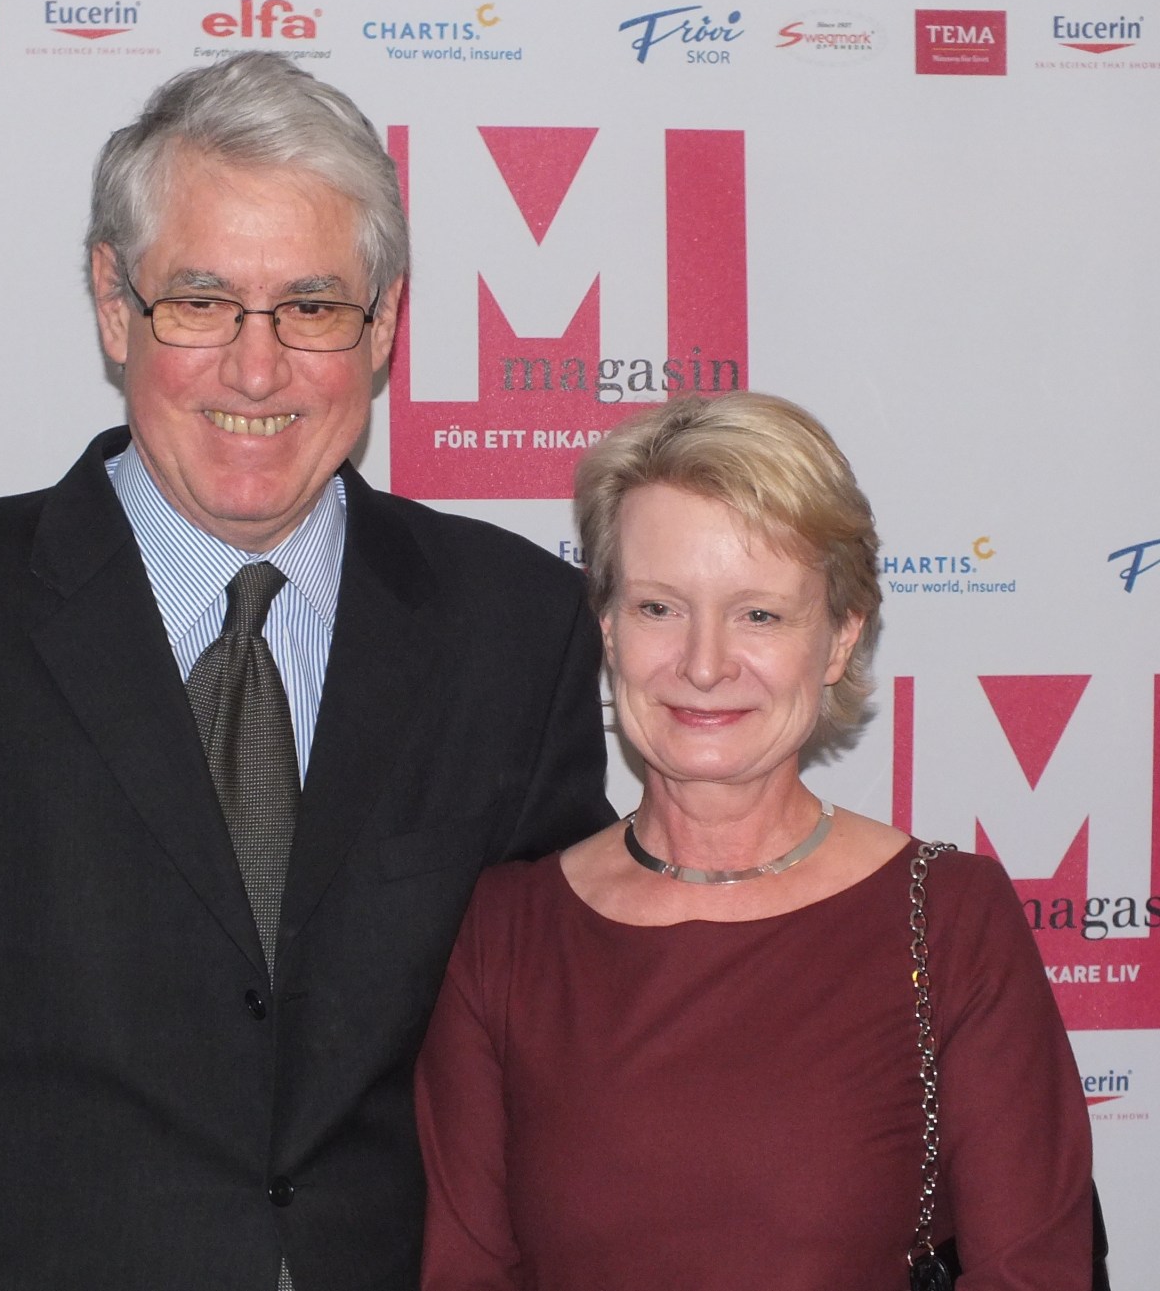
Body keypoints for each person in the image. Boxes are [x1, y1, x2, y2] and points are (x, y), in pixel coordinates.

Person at [0, 53, 614, 1290]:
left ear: (385, 324)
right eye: (201, 301)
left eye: (311, 308)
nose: (256, 371)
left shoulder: (516, 628)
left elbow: (565, 1055)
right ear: (113, 304)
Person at [415, 391, 1094, 1288]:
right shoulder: (506, 932)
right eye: (660, 607)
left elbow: (1032, 1272)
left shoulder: (949, 921)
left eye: (759, 615)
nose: (704, 664)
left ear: (840, 638)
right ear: (608, 625)